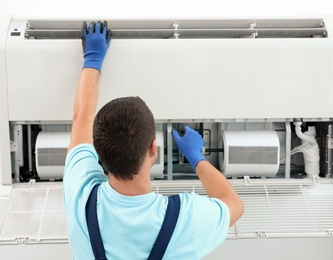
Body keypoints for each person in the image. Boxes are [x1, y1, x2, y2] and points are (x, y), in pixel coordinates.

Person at [63, 20, 244, 260]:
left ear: (98, 151)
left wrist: (92, 57)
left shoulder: (81, 197)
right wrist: (197, 158)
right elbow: (233, 204)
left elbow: (81, 119)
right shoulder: (185, 220)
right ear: (153, 148)